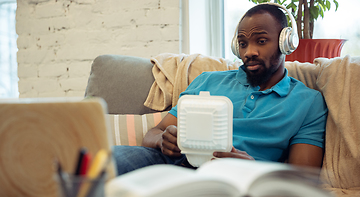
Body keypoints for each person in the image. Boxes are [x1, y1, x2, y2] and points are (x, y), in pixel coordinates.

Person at [112, 3, 328, 175]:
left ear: (285, 42)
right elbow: (153, 133)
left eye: (261, 41)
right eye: (242, 44)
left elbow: (303, 177)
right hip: (172, 164)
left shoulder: (308, 102)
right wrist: (162, 140)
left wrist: (255, 168)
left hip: (238, 180)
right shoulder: (208, 81)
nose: (249, 52)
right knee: (107, 161)